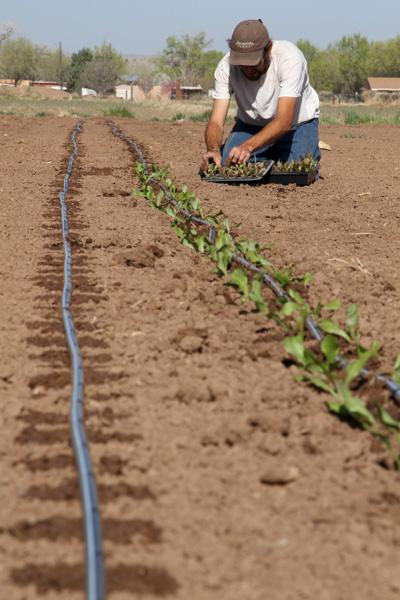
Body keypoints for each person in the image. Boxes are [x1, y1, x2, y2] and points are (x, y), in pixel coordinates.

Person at [201, 19, 320, 171]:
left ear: (268, 48)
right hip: (250, 126)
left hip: (296, 126)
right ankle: (266, 154)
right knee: (226, 166)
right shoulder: (226, 66)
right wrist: (213, 150)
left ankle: (287, 150)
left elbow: (284, 121)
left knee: (296, 171)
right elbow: (216, 122)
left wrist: (248, 147)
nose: (247, 68)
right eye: (242, 62)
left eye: (253, 62)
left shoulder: (290, 58)